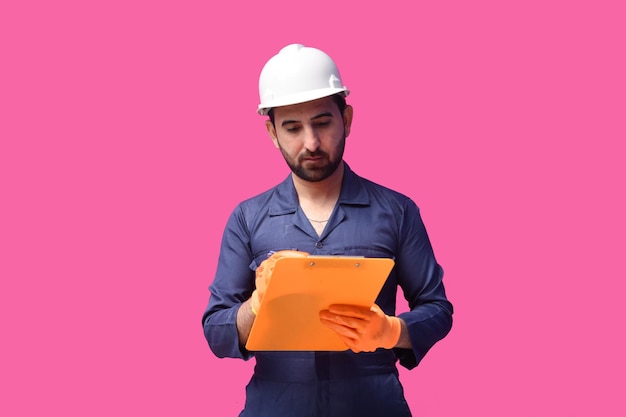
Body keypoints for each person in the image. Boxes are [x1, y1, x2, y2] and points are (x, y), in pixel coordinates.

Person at [202, 43, 453, 417]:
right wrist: (257, 305)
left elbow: (438, 308)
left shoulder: (398, 211)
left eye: (322, 123)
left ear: (346, 119)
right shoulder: (246, 218)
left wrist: (392, 331)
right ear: (272, 133)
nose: (311, 143)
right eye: (292, 128)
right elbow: (216, 330)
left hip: (374, 406)